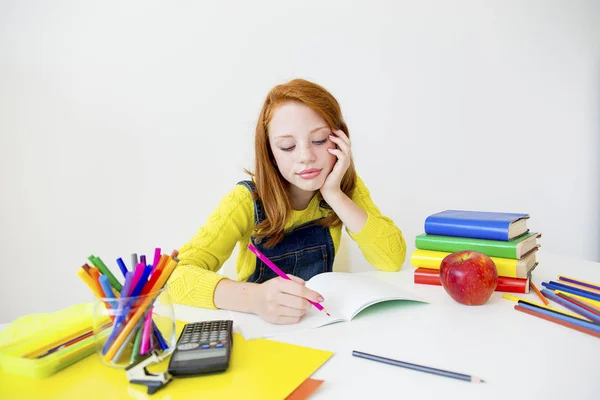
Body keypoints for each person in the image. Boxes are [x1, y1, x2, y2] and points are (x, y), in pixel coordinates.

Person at [168, 79, 406, 324]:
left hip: (320, 325)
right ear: (270, 153)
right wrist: (255, 299)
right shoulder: (245, 201)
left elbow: (392, 258)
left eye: (320, 140)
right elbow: (175, 277)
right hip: (259, 330)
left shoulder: (343, 188)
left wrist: (335, 195)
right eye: (287, 146)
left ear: (340, 140)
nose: (306, 157)